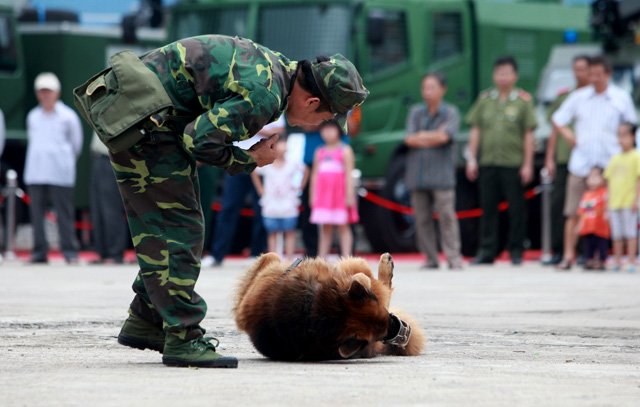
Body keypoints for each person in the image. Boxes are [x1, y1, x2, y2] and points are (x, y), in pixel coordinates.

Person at [74, 35, 368, 368]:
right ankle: (183, 336)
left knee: (165, 229)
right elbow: (197, 139)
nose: (321, 125)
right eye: (328, 118)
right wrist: (251, 160)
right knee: (179, 231)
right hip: (146, 123)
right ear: (313, 102)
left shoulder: (275, 69)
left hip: (148, 114)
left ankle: (147, 319)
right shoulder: (266, 95)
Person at [552, 55, 637, 270]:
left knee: (611, 214)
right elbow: (558, 118)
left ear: (608, 74)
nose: (595, 78)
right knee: (573, 212)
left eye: (600, 74)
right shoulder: (578, 97)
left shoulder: (620, 97)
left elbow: (632, 126)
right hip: (582, 163)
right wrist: (567, 134)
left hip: (611, 166)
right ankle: (569, 255)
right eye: (592, 74)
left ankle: (607, 257)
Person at [465, 56, 537, 265]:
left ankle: (516, 250)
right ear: (494, 75)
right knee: (488, 209)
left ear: (515, 76)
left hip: (513, 163)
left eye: (507, 73)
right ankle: (487, 250)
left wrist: (528, 164)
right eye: (499, 73)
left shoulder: (523, 101)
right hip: (488, 162)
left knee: (516, 208)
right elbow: (475, 130)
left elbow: (528, 134)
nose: (503, 77)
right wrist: (471, 159)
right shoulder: (485, 99)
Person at [205, 118, 287, 267]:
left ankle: (257, 254)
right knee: (228, 207)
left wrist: (255, 125)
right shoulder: (242, 100)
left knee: (261, 208)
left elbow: (280, 130)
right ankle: (217, 254)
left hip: (263, 163)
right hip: (238, 160)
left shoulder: (276, 102)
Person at [404, 72, 463, 270]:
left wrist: (422, 135)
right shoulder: (415, 112)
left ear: (443, 89)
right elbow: (409, 138)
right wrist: (432, 136)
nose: (427, 92)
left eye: (432, 87)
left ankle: (453, 257)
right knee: (421, 219)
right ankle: (430, 258)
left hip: (442, 175)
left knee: (447, 216)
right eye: (424, 88)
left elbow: (445, 138)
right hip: (417, 175)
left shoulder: (451, 112)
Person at [25, 72, 83, 264]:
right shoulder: (33, 116)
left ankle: (70, 251)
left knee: (64, 214)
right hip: (36, 172)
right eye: (42, 92)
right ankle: (39, 251)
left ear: (56, 93)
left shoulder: (68, 116)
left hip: (60, 172)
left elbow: (76, 144)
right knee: (36, 214)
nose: (45, 95)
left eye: (48, 91)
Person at [543, 55, 591, 265]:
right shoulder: (566, 98)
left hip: (589, 159)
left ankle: (585, 251)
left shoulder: (596, 97)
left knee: (589, 206)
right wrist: (549, 158)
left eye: (582, 69)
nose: (578, 73)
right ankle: (560, 250)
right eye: (576, 69)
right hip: (565, 158)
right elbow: (555, 127)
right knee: (561, 206)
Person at [251, 137, 306, 260]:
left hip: (288, 203)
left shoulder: (292, 163)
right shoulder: (267, 164)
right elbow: (254, 171)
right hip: (271, 203)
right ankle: (274, 260)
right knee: (272, 232)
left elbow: (305, 170)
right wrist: (260, 190)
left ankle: (289, 259)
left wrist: (299, 188)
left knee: (290, 232)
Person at [310, 120, 357, 258]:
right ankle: (322, 258)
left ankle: (347, 257)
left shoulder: (345, 150)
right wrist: (313, 195)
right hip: (324, 196)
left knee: (343, 226)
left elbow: (349, 174)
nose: (327, 133)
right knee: (326, 227)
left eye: (331, 129)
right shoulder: (320, 151)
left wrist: (349, 195)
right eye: (325, 129)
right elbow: (314, 175)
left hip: (339, 194)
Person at [604, 123, 640, 272]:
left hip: (629, 201)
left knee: (630, 233)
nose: (621, 139)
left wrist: (637, 199)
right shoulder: (615, 158)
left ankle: (631, 260)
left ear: (632, 136)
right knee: (616, 234)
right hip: (615, 202)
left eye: (625, 135)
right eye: (619, 135)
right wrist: (607, 202)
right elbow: (608, 180)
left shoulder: (636, 156)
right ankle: (617, 260)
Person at [89, 132, 129, 264]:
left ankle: (115, 253)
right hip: (99, 158)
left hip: (112, 158)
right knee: (98, 209)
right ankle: (103, 252)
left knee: (111, 209)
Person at [576, 167, 609, 271]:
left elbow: (607, 206)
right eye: (590, 177)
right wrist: (579, 224)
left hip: (601, 227)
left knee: (601, 245)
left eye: (596, 176)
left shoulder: (604, 193)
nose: (592, 179)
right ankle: (589, 260)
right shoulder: (586, 195)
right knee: (588, 245)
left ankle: (601, 261)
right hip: (587, 227)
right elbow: (582, 211)